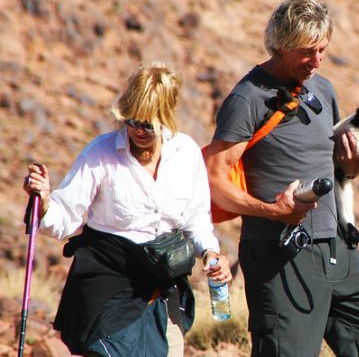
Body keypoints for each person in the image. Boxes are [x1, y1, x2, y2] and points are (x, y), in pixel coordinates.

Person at [203, 0, 359, 356]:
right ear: (280, 45)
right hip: (280, 252)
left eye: (322, 49)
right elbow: (212, 179)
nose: (317, 61)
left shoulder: (323, 89)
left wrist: (350, 167)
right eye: (307, 52)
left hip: (337, 245)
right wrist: (272, 211)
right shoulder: (247, 98)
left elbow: (338, 171)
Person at [22, 62, 232, 357]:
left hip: (162, 289)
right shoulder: (101, 154)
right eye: (132, 121)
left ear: (167, 117)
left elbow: (197, 221)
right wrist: (43, 201)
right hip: (107, 288)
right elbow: (64, 217)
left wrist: (210, 253)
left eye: (149, 124)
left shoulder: (186, 155)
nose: (138, 131)